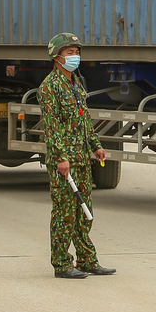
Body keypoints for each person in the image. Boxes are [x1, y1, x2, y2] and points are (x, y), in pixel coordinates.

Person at [39, 32, 114, 279]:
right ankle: (61, 264)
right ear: (56, 56)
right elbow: (52, 126)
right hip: (65, 162)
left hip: (81, 158)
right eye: (69, 52)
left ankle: (87, 260)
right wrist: (61, 157)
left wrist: (96, 146)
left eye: (77, 52)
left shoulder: (75, 84)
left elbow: (83, 120)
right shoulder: (50, 87)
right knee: (64, 213)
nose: (75, 56)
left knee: (83, 212)